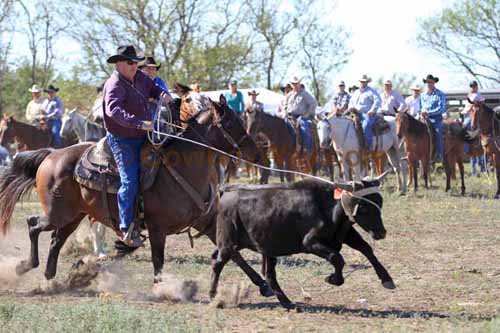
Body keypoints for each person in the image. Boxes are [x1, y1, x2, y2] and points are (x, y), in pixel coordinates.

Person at [103, 45, 172, 247]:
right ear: (119, 63)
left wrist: (162, 95)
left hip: (144, 134)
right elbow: (114, 111)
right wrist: (139, 123)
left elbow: (154, 88)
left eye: (136, 62)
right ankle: (125, 229)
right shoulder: (114, 84)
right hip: (122, 139)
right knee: (129, 181)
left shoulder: (140, 78)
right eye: (131, 62)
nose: (135, 66)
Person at [348, 74, 382, 150]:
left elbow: (378, 101)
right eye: (361, 81)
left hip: (367, 114)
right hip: (355, 113)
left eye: (364, 82)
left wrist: (372, 110)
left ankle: (369, 145)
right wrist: (351, 107)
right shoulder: (356, 92)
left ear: (367, 82)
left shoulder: (371, 91)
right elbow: (351, 102)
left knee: (366, 126)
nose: (362, 83)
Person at [419, 74, 446, 162]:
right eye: (427, 82)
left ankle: (439, 154)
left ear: (434, 83)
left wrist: (429, 113)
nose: (429, 84)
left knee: (438, 133)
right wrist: (421, 113)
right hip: (423, 119)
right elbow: (420, 107)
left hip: (435, 119)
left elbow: (442, 108)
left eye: (430, 82)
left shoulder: (440, 94)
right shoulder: (422, 95)